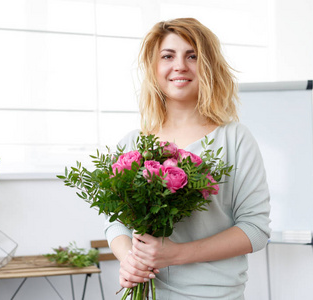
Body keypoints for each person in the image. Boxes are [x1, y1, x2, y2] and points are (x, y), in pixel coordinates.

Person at [104, 18, 271, 299]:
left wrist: (174, 254)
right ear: (154, 68)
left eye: (192, 56)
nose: (179, 65)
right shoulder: (132, 143)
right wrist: (130, 260)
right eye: (167, 56)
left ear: (208, 66)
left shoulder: (235, 139)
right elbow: (116, 222)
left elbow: (255, 230)